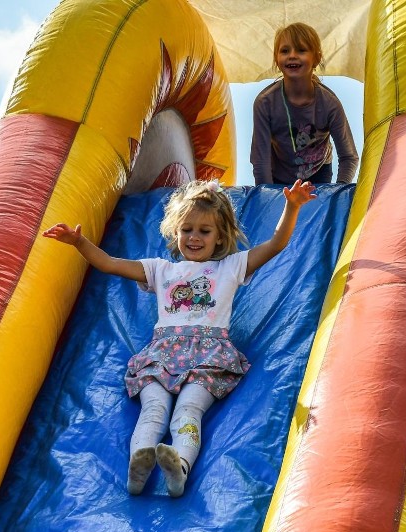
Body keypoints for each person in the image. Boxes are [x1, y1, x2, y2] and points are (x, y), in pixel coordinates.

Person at [42, 178, 316, 497]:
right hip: (162, 355)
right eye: (187, 229)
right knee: (154, 409)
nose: (194, 237)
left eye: (204, 230)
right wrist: (79, 242)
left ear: (220, 236)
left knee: (189, 409)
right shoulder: (160, 270)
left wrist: (292, 206)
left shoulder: (229, 267)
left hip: (208, 358)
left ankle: (179, 467)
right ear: (175, 232)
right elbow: (110, 264)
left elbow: (275, 245)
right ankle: (139, 463)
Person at [251, 22, 359, 185]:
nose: (292, 55)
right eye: (285, 51)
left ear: (316, 58)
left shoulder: (329, 104)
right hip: (279, 176)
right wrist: (267, 198)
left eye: (301, 50)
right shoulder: (265, 103)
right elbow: (261, 162)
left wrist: (337, 193)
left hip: (318, 174)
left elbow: (349, 157)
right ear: (276, 58)